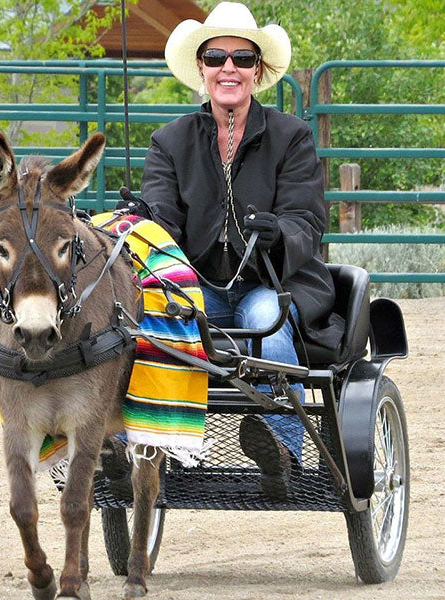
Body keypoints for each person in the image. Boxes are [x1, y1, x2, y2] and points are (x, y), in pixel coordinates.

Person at [141, 1, 345, 500]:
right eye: (215, 57)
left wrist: (280, 233)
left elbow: (308, 220)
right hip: (196, 287)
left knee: (265, 329)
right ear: (201, 69)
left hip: (271, 283)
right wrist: (147, 222)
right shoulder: (169, 142)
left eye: (240, 57)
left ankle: (281, 452)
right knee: (150, 328)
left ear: (257, 70)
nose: (227, 67)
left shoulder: (291, 137)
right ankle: (145, 449)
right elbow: (162, 220)